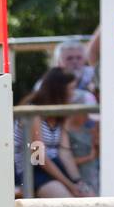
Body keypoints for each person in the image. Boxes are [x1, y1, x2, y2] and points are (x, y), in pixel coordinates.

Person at [15, 69, 89, 199]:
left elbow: (65, 152)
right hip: (30, 171)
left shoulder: (61, 114)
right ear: (59, 91)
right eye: (71, 89)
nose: (74, 94)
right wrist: (70, 185)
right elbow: (39, 158)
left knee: (89, 199)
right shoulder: (33, 113)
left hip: (51, 168)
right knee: (68, 203)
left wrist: (77, 181)